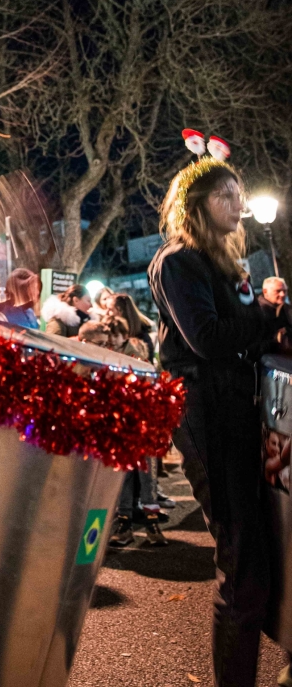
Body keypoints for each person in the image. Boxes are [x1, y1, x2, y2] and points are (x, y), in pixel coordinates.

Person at [149, 155, 287, 687]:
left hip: (240, 412)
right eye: (227, 194)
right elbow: (205, 337)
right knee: (241, 560)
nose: (239, 204)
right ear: (198, 203)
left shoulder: (227, 262)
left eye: (239, 193)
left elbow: (244, 327)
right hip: (208, 415)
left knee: (259, 551)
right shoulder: (177, 260)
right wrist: (266, 319)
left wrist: (270, 313)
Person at [259, 276, 292, 346]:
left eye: (285, 291)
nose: (282, 294)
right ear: (265, 291)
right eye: (278, 291)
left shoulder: (286, 309)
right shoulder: (258, 311)